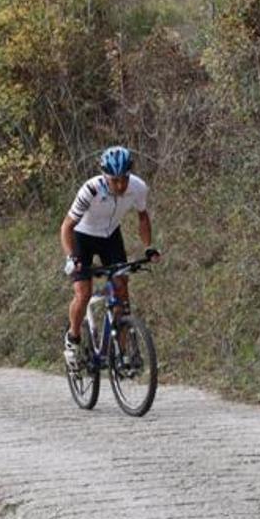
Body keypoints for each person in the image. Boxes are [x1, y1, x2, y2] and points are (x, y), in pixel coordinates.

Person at [60, 145, 157, 360]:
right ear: (105, 177)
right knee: (83, 293)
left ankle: (121, 353)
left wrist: (148, 246)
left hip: (110, 236)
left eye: (124, 178)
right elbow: (66, 226)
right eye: (115, 180)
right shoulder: (90, 190)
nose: (120, 185)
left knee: (122, 289)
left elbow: (143, 217)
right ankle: (73, 338)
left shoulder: (138, 187)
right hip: (82, 237)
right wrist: (71, 258)